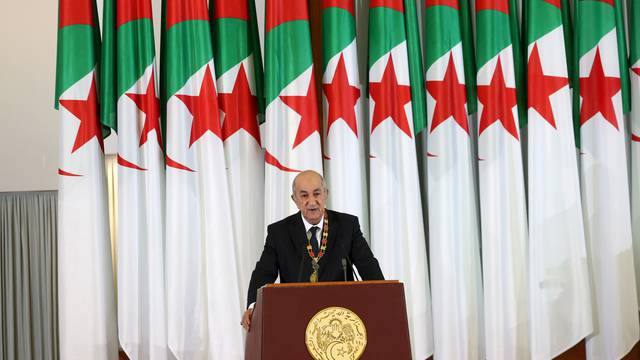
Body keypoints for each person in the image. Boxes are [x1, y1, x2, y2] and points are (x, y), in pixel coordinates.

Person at [241, 170, 384, 330]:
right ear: (294, 199)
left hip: (341, 316)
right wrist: (253, 306)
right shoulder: (279, 232)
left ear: (326, 194)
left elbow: (368, 265)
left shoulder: (347, 225)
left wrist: (383, 298)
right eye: (304, 195)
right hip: (296, 316)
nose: (312, 201)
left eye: (317, 193)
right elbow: (264, 272)